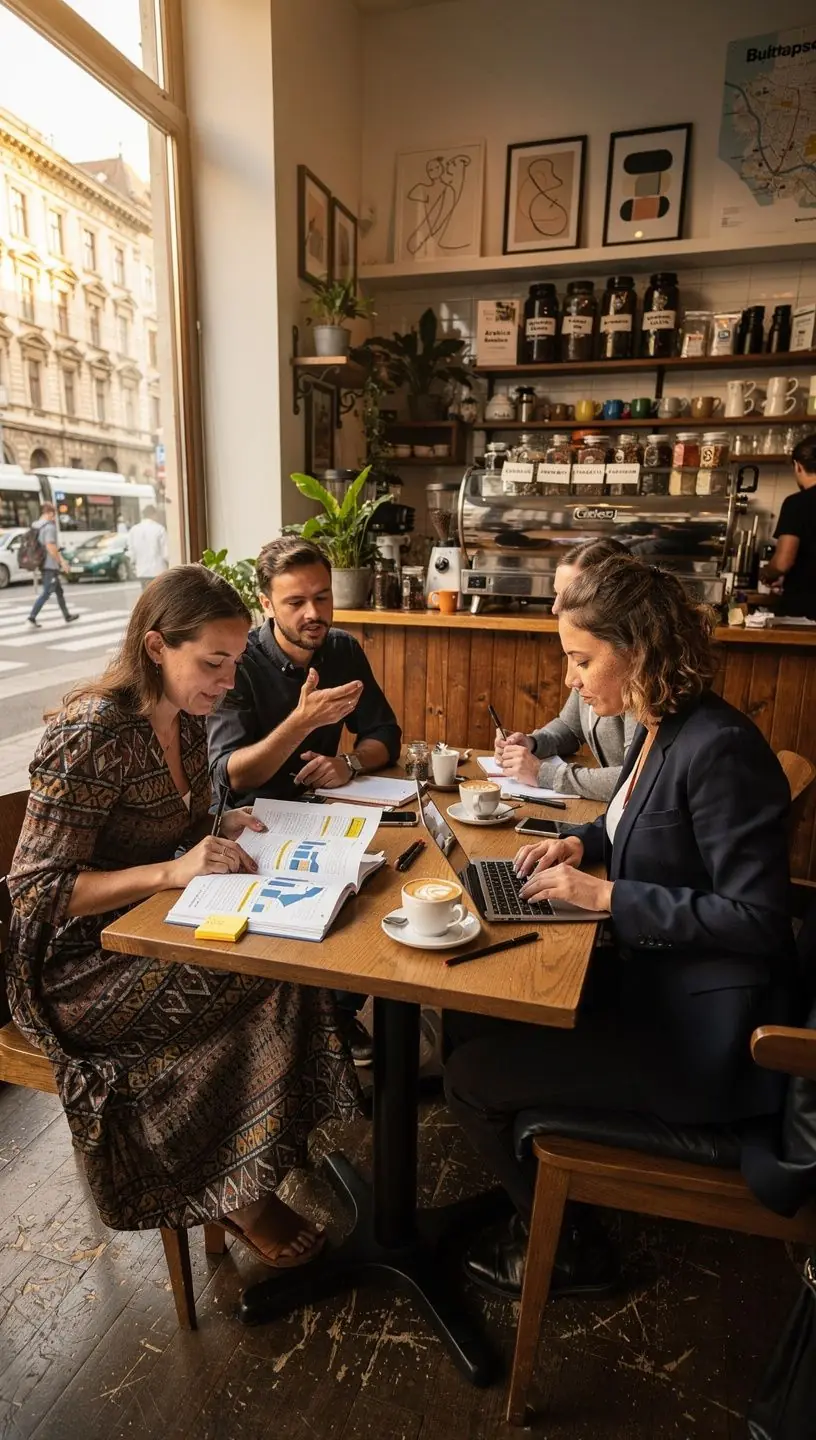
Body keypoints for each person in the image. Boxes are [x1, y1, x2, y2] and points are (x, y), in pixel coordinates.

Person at [445, 555, 795, 1299]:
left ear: (638, 649)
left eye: (581, 659)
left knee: (469, 1080)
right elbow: (629, 823)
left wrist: (608, 896)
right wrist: (580, 845)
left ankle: (571, 1250)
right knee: (471, 1018)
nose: (570, 679)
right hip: (657, 984)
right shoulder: (659, 725)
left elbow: (760, 920)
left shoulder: (719, 747)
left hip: (702, 1039)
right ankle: (535, 1195)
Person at [6, 565, 359, 1266]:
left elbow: (172, 825)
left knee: (289, 964)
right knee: (266, 979)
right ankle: (234, 1188)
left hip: (150, 924)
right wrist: (173, 871)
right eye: (213, 662)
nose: (228, 682)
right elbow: (34, 891)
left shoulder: (188, 721)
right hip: (75, 968)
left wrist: (219, 823)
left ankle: (248, 1165)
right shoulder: (91, 735)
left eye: (235, 662)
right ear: (156, 646)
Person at [207, 536, 402, 1066]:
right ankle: (307, 1024)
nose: (313, 613)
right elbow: (230, 773)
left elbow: (385, 733)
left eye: (322, 597)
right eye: (295, 601)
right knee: (336, 899)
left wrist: (350, 763)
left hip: (323, 813)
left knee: (383, 886)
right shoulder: (241, 662)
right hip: (250, 824)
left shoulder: (341, 649)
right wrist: (300, 723)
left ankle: (333, 1013)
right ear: (266, 604)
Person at [494, 538, 636, 800]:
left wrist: (543, 774)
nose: (555, 608)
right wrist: (533, 743)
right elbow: (570, 728)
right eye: (556, 594)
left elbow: (634, 779)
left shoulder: (632, 671)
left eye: (570, 597)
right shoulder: (589, 654)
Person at [761, 434, 816, 619]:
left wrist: (767, 572)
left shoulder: (797, 503)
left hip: (805, 610)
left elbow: (782, 563)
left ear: (798, 466)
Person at [27, 501, 79, 628]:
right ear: (49, 513)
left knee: (59, 591)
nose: (54, 517)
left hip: (42, 562)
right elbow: (50, 546)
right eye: (53, 514)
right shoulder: (49, 527)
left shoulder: (36, 525)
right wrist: (62, 562)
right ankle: (31, 618)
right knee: (46, 592)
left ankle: (67, 615)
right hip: (50, 565)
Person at [126, 504, 169, 590]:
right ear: (154, 514)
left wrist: (134, 563)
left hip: (142, 571)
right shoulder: (159, 528)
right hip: (158, 570)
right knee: (157, 594)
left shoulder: (134, 530)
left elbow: (131, 551)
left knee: (146, 594)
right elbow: (166, 552)